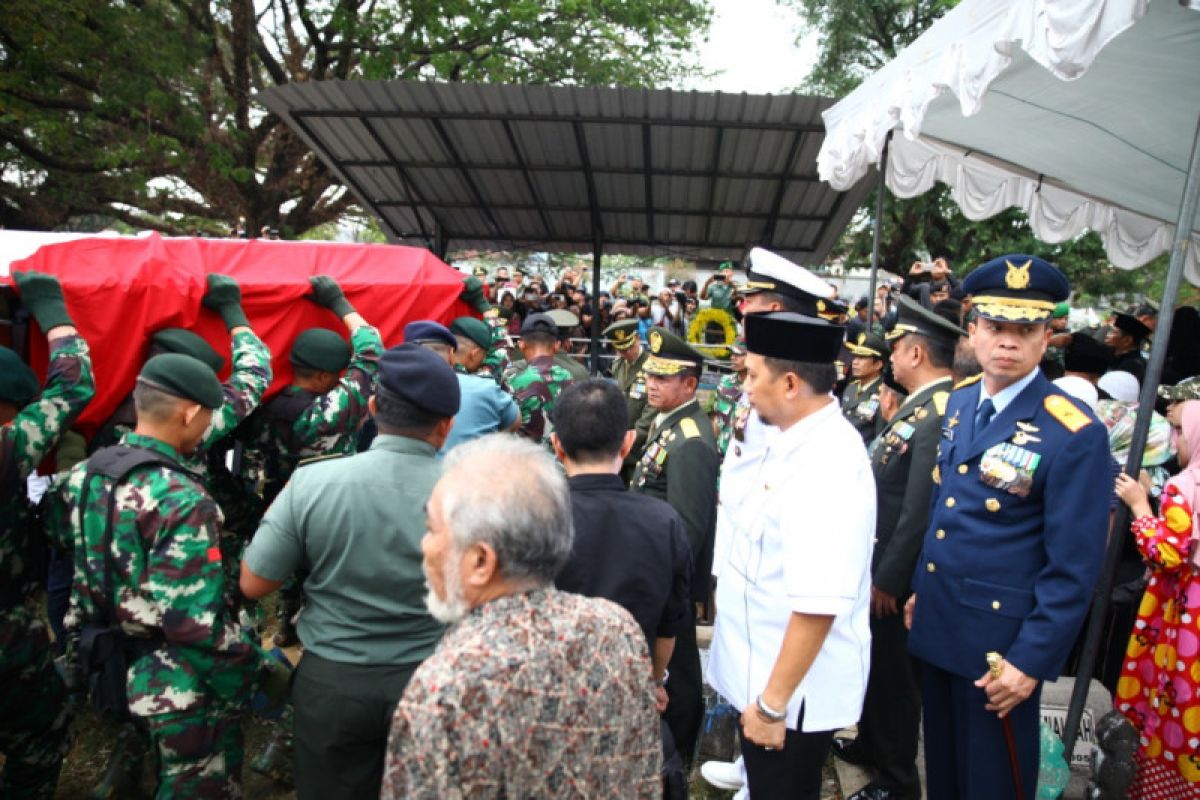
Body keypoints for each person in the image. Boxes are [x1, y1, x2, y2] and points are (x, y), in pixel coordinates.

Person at [905, 254, 1113, 800]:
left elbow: (1074, 567)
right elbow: (949, 509)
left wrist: (1029, 661)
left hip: (1001, 649)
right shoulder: (962, 401)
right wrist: (921, 590)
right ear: (973, 330)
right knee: (944, 775)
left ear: (1047, 338)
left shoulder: (1074, 431)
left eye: (1026, 329)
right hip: (941, 620)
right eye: (996, 326)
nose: (1008, 342)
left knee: (992, 783)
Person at [49, 353, 289, 797]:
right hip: (176, 681)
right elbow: (193, 626)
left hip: (107, 660)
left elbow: (71, 554)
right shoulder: (180, 498)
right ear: (191, 411)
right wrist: (254, 671)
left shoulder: (84, 475)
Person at [380, 434, 661, 798]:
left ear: (481, 562)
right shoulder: (617, 627)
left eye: (433, 529)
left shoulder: (445, 690)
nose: (424, 544)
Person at [239, 345, 458, 799]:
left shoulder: (314, 482)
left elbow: (254, 581)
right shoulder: (474, 493)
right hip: (435, 675)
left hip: (334, 680)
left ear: (374, 410)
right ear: (446, 425)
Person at [706, 310, 875, 799]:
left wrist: (772, 706)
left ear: (791, 384)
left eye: (754, 375)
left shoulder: (826, 464)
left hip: (788, 697)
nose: (747, 387)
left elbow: (818, 602)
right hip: (765, 680)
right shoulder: (793, 441)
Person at [834, 295, 965, 800]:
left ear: (915, 353)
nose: (887, 358)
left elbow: (918, 509)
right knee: (877, 668)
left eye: (894, 349)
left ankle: (896, 780)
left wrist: (890, 578)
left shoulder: (937, 411)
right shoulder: (920, 406)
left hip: (895, 572)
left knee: (894, 679)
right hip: (879, 559)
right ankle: (870, 746)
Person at [551, 379, 693, 786]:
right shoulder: (662, 522)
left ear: (558, 445)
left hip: (550, 704)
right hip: (628, 702)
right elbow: (670, 624)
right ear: (628, 443)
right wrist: (654, 680)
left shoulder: (533, 517)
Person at [0, 272, 94, 800]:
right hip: (7, 640)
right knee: (39, 738)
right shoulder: (7, 449)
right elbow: (74, 385)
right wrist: (53, 314)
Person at [630, 328, 720, 765]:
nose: (652, 383)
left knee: (679, 669)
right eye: (650, 374)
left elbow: (688, 528)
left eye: (664, 377)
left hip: (671, 577)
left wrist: (669, 583)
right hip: (659, 570)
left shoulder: (691, 439)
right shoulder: (671, 425)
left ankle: (681, 755)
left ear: (690, 383)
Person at [1114, 400, 1200, 798]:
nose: (1175, 440)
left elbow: (1165, 554)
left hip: (1183, 612)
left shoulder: (1186, 487)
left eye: (1181, 431)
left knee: (1173, 699)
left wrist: (1139, 505)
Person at [445, 316, 519, 451]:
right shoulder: (486, 388)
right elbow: (516, 421)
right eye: (484, 355)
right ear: (474, 353)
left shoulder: (426, 378)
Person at [501, 312, 575, 446]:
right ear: (557, 345)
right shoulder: (569, 379)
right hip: (560, 462)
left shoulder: (512, 381)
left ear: (521, 344)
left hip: (525, 461)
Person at [604, 318, 656, 477]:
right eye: (621, 349)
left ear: (638, 339)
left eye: (629, 347)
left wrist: (631, 437)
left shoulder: (651, 365)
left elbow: (652, 408)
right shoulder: (618, 364)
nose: (626, 353)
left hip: (639, 444)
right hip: (619, 441)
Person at [842, 332, 890, 445]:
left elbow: (879, 436)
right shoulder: (851, 387)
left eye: (862, 358)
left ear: (878, 364)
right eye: (855, 357)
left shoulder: (883, 394)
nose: (855, 362)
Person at [710, 339, 747, 458]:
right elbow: (717, 417)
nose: (732, 358)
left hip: (743, 453)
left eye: (738, 355)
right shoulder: (725, 382)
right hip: (721, 450)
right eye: (732, 354)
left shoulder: (758, 389)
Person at [1106, 312, 1151, 384]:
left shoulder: (1132, 366)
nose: (1108, 335)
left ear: (1127, 340)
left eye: (1113, 332)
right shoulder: (1112, 356)